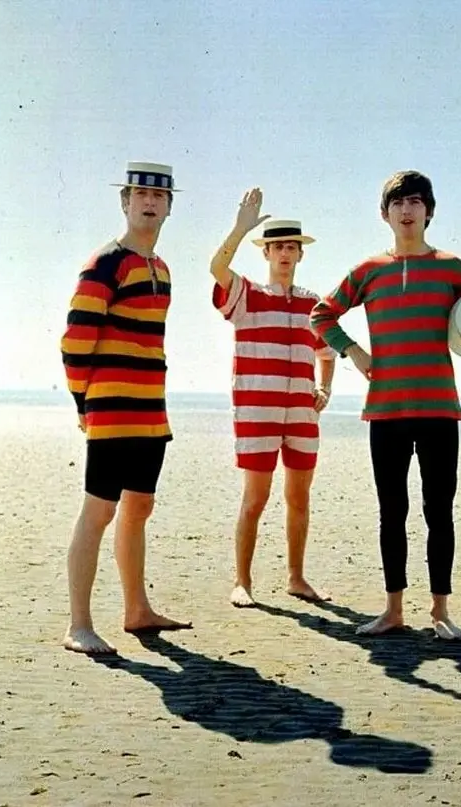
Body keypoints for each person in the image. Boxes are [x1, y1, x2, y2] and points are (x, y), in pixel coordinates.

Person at [310, 170, 461, 639]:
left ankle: (440, 611)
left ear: (429, 210)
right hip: (385, 410)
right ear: (384, 213)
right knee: (392, 512)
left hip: (438, 408)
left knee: (439, 510)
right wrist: (354, 351)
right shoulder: (368, 270)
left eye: (415, 201)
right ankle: (393, 610)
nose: (406, 210)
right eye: (398, 203)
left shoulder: (452, 268)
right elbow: (321, 314)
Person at [60, 161, 192, 655]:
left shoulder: (161, 269)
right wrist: (82, 402)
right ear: (125, 202)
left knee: (140, 506)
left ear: (169, 207)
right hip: (112, 409)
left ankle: (137, 611)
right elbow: (75, 341)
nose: (149, 202)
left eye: (159, 197)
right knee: (99, 510)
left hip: (151, 411)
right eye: (139, 194)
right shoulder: (105, 263)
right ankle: (78, 625)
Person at [210, 188, 336, 608]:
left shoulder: (312, 304)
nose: (285, 253)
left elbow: (326, 351)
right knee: (255, 499)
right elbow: (216, 267)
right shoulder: (247, 295)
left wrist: (325, 388)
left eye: (291, 247)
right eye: (278, 246)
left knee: (299, 498)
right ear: (266, 253)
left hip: (301, 412)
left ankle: (296, 578)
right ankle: (242, 581)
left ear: (300, 254)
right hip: (256, 412)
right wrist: (242, 227)